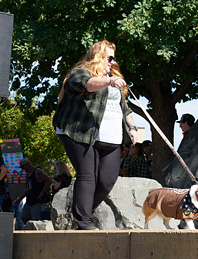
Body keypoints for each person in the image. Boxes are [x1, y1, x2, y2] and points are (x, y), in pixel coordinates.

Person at [52, 39, 138, 230]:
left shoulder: (113, 80)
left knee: (107, 181)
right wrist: (109, 80)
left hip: (111, 138)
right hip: (79, 132)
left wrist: (132, 128)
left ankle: (81, 211)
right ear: (98, 56)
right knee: (88, 175)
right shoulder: (80, 73)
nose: (113, 62)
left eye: (114, 59)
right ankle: (84, 221)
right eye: (110, 58)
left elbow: (124, 108)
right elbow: (88, 85)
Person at [13, 158, 52, 223]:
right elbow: (27, 188)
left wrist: (42, 193)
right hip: (29, 200)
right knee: (24, 217)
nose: (23, 169)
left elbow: (49, 181)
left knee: (36, 219)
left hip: (37, 200)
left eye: (23, 167)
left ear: (27, 165)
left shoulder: (37, 171)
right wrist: (19, 199)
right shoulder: (27, 174)